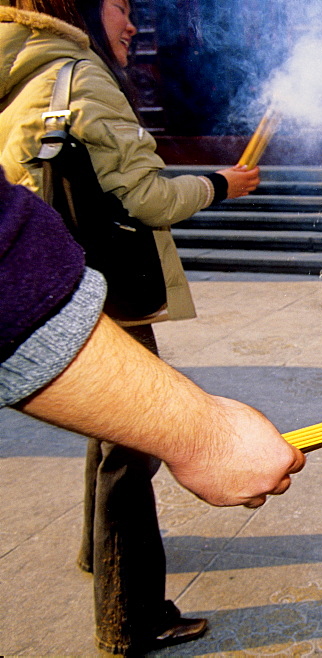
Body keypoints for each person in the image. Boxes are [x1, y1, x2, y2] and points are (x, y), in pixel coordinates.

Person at [0, 0, 261, 653]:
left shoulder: (22, 77)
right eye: (120, 4)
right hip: (102, 287)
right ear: (82, 6)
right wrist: (220, 183)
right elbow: (148, 198)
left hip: (57, 273)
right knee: (133, 448)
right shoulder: (80, 76)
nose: (133, 23)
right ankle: (131, 614)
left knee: (105, 431)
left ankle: (97, 553)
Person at [1, 169, 305, 509]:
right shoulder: (100, 112)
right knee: (130, 453)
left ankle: (101, 553)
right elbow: (13, 285)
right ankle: (126, 558)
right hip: (109, 289)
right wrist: (206, 438)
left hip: (85, 284)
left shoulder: (26, 113)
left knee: (110, 436)